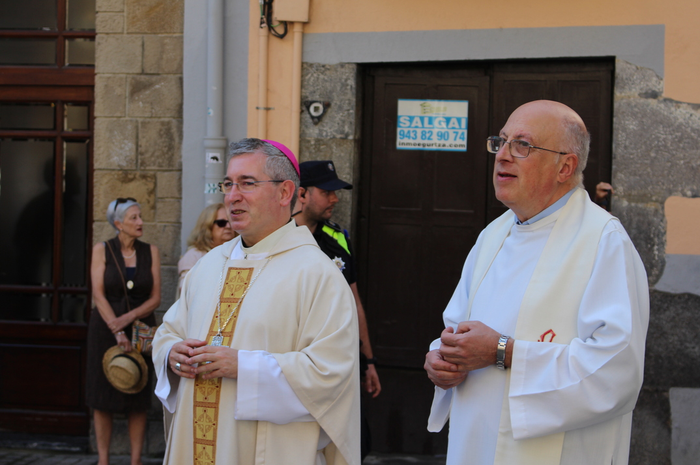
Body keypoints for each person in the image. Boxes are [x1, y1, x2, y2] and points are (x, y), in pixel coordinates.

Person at [424, 100, 649, 465]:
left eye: (522, 145)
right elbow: (456, 328)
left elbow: (616, 371)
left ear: (566, 166)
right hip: (476, 445)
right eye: (501, 142)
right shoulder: (493, 236)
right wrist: (441, 358)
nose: (503, 156)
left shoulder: (603, 240)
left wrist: (503, 351)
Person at [153, 138, 360, 465]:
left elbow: (331, 374)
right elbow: (169, 331)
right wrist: (170, 354)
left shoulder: (317, 274)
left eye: (247, 183)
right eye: (228, 184)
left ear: (284, 192)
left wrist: (245, 367)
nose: (232, 196)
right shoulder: (208, 264)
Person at [293, 160, 381, 459]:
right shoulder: (278, 239)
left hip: (342, 364)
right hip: (301, 367)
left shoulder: (338, 238)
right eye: (327, 191)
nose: (335, 198)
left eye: (336, 191)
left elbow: (354, 303)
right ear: (301, 194)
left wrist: (368, 361)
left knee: (353, 442)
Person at [87, 198, 161, 465]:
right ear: (118, 224)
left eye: (140, 216)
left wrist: (128, 319)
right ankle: (103, 460)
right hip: (105, 328)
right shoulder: (101, 250)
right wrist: (117, 329)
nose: (140, 222)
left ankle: (135, 460)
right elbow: (98, 293)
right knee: (101, 395)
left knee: (138, 393)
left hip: (141, 327)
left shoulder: (150, 251)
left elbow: (155, 298)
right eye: (134, 218)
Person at [177, 203, 236, 297]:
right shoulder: (194, 255)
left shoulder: (239, 252)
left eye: (231, 221)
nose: (228, 226)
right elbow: (185, 290)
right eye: (221, 223)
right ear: (207, 226)